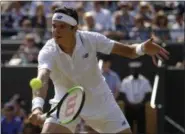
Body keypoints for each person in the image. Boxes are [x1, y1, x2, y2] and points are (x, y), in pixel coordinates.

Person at [28, 7, 169, 134]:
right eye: (54, 26)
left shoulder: (91, 39)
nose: (56, 31)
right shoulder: (48, 51)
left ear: (74, 28)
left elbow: (129, 51)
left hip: (101, 102)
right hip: (67, 104)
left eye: (62, 27)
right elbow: (42, 78)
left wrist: (143, 48)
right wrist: (37, 107)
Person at [120, 62, 152, 134]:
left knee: (141, 128)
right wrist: (129, 104)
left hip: (140, 108)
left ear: (139, 70)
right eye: (133, 70)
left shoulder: (145, 81)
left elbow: (148, 94)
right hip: (129, 108)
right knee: (129, 128)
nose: (135, 71)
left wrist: (140, 104)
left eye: (136, 70)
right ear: (130, 70)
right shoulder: (125, 81)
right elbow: (122, 95)